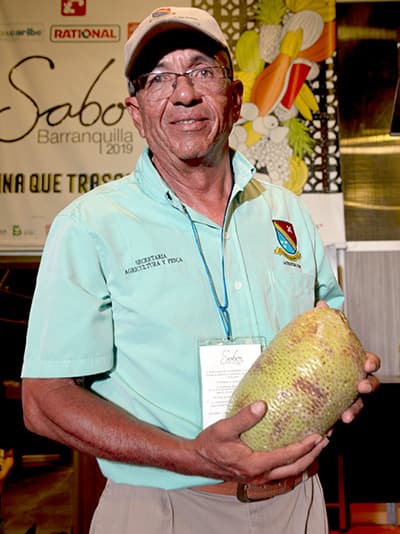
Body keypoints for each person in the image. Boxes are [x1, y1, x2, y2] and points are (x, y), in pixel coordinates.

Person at [21, 6, 380, 534]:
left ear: (234, 98)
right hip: (163, 509)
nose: (183, 93)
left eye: (202, 71)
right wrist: (194, 456)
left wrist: (347, 381)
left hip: (298, 503)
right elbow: (43, 402)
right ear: (137, 111)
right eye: (159, 78)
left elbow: (330, 328)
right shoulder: (89, 225)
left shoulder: (287, 211)